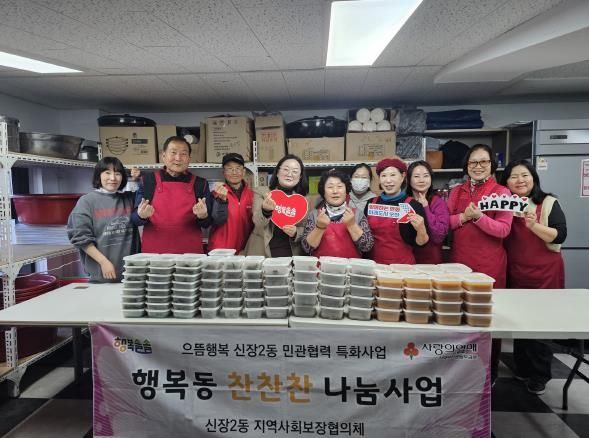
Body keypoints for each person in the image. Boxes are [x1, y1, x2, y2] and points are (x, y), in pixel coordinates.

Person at [447, 143, 512, 385]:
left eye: (483, 161)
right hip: (459, 265)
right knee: (458, 317)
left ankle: (489, 372)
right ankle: (459, 370)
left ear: (492, 165)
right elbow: (446, 223)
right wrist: (463, 217)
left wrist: (478, 217)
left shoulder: (501, 192)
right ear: (466, 166)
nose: (478, 166)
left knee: (487, 321)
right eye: (473, 162)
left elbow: (503, 230)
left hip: (490, 267)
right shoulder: (457, 191)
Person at [501, 159, 567, 395]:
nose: (520, 180)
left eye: (525, 175)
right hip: (516, 272)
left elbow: (560, 235)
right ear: (506, 182)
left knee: (540, 325)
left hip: (545, 273)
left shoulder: (548, 202)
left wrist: (534, 226)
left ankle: (539, 375)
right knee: (519, 323)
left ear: (533, 178)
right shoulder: (504, 204)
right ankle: (522, 367)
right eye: (513, 176)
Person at [131, 136, 216, 254]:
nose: (178, 158)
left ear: (189, 158)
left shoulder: (200, 184)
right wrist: (141, 216)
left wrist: (203, 217)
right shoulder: (148, 181)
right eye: (173, 153)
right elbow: (135, 219)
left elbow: (207, 223)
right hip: (154, 255)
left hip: (190, 256)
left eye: (183, 154)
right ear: (163, 156)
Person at [67, 157, 140, 282]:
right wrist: (103, 262)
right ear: (98, 175)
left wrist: (137, 179)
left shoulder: (128, 199)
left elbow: (145, 193)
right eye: (107, 173)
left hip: (131, 275)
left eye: (117, 173)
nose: (113, 178)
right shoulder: (86, 202)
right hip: (101, 274)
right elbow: (80, 238)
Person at [364, 157, 429, 264]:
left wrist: (421, 229)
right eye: (383, 176)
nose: (388, 180)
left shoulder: (412, 205)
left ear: (402, 176)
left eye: (393, 175)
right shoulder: (371, 203)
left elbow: (421, 244)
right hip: (374, 265)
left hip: (403, 266)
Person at [244, 154, 309, 257]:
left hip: (291, 253)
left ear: (300, 177)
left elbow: (306, 229)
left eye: (295, 171)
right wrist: (265, 211)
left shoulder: (303, 200)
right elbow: (257, 222)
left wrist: (296, 233)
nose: (290, 174)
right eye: (286, 169)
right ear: (278, 172)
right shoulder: (262, 192)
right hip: (262, 251)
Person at [302, 169, 374, 257]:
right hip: (322, 265)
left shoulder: (357, 214)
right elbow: (306, 248)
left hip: (350, 266)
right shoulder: (315, 215)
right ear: (323, 192)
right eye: (330, 187)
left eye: (339, 186)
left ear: (346, 190)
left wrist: (352, 225)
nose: (335, 191)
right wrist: (319, 227)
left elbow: (367, 247)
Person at [207, 153, 254, 253]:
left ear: (244, 172)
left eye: (238, 168)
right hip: (220, 251)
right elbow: (215, 221)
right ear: (223, 172)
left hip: (245, 250)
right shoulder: (214, 194)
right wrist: (221, 201)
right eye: (229, 168)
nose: (234, 172)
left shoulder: (253, 196)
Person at [407, 160, 449, 264]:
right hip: (407, 259)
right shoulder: (404, 201)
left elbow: (439, 236)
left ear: (431, 178)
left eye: (426, 176)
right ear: (409, 179)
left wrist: (425, 207)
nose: (421, 180)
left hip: (431, 262)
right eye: (416, 176)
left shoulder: (438, 203)